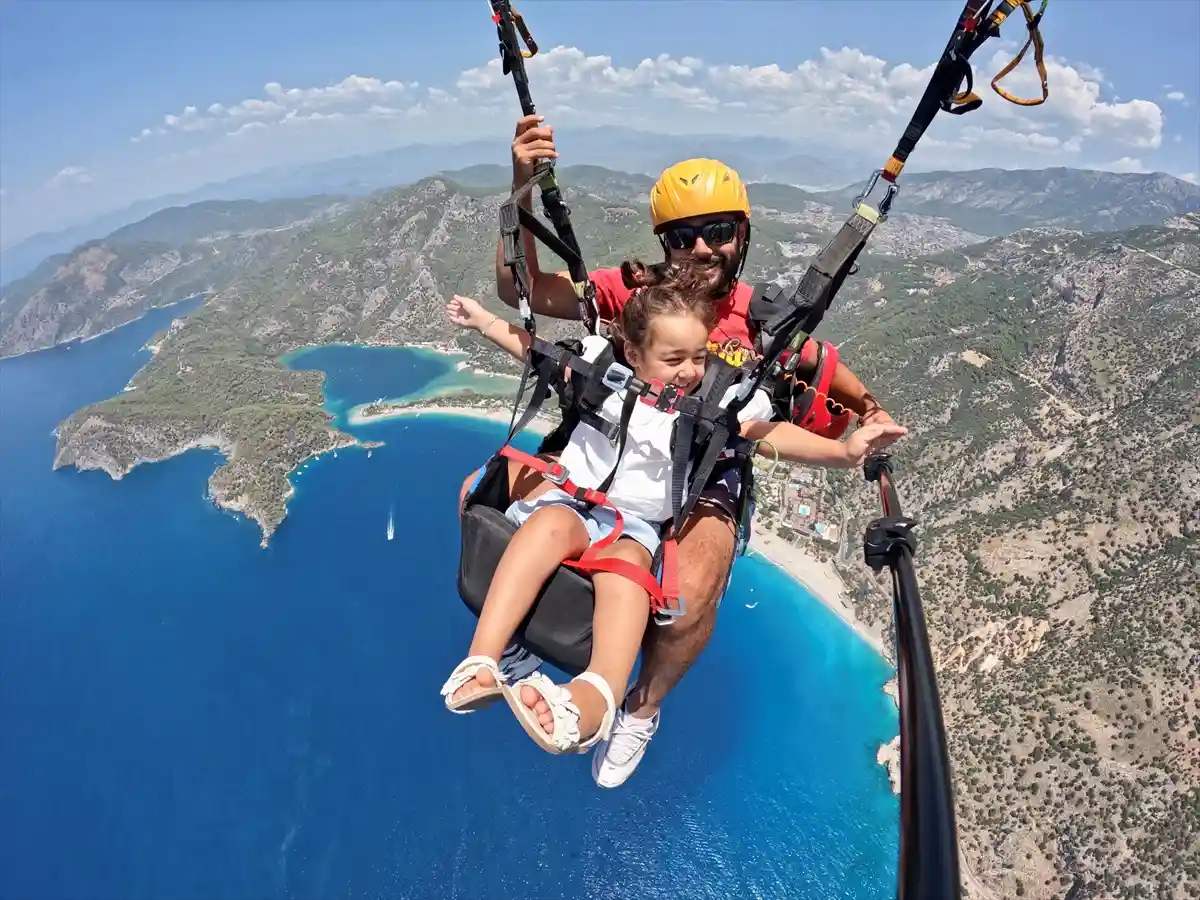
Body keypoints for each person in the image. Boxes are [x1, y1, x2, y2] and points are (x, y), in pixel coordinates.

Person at [461, 114, 900, 787]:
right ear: (665, 242)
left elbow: (825, 373)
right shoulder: (631, 297)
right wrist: (523, 184)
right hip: (616, 443)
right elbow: (521, 291)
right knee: (478, 493)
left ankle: (642, 704)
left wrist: (866, 421)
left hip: (708, 468)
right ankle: (510, 652)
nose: (702, 247)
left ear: (742, 237)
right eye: (684, 235)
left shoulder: (763, 321)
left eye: (718, 232)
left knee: (688, 596)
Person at [441, 267, 906, 754]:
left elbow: (771, 436)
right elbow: (537, 352)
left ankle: (593, 701)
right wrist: (484, 322)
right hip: (572, 500)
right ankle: (485, 658)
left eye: (699, 357)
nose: (689, 370)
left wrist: (845, 452)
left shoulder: (718, 399)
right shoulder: (603, 367)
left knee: (627, 574)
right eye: (673, 359)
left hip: (636, 528)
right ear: (635, 353)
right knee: (545, 525)